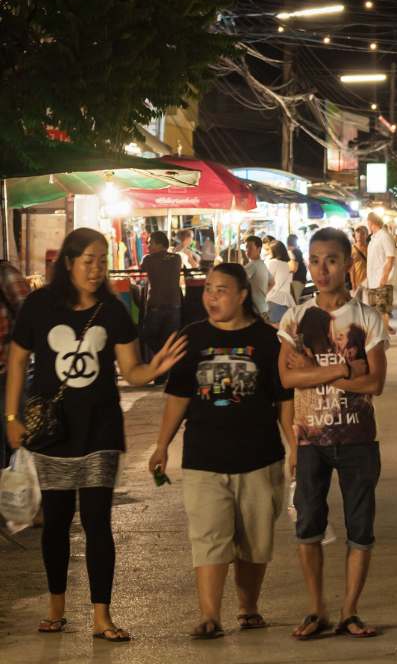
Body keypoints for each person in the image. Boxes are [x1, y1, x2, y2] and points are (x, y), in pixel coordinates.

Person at [5, 228, 187, 642]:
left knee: (97, 520)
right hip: (52, 431)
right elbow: (17, 361)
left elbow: (133, 372)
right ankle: (56, 607)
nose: (96, 268)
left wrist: (155, 367)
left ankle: (102, 616)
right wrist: (12, 416)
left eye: (102, 260)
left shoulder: (113, 309)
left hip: (101, 429)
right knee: (55, 522)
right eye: (88, 260)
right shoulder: (38, 306)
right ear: (67, 263)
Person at [148, 263, 294, 639]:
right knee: (209, 537)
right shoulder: (191, 337)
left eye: (221, 290)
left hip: (259, 456)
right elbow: (178, 396)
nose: (211, 297)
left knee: (254, 539)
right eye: (208, 289)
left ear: (243, 294)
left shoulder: (267, 339)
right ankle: (210, 615)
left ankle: (248, 608)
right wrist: (162, 445)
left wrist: (294, 446)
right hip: (203, 457)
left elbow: (283, 399)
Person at [277, 227, 388, 640]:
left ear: (347, 264)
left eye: (331, 260)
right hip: (310, 441)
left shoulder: (366, 318)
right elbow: (286, 378)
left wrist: (314, 376)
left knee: (361, 527)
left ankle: (349, 611)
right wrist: (343, 371)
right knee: (307, 525)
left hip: (358, 439)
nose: (322, 269)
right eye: (315, 260)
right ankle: (316, 609)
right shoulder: (296, 317)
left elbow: (375, 383)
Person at [139, 231, 182, 383]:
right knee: (168, 340)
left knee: (147, 335)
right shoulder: (177, 258)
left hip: (156, 305)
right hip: (174, 305)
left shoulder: (148, 259)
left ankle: (163, 365)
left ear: (159, 244)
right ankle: (164, 372)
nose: (148, 246)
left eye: (150, 243)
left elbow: (140, 270)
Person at [0, 257, 31, 467]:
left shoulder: (5, 274)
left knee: (16, 442)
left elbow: (30, 316)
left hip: (6, 376)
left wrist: (14, 346)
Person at [365, 213, 397, 336]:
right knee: (374, 311)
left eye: (368, 222)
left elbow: (390, 258)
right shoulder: (374, 238)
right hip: (373, 281)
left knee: (382, 310)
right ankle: (378, 336)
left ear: (372, 222)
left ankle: (383, 337)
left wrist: (384, 277)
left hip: (382, 280)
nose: (367, 225)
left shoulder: (384, 236)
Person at [266, 241, 296, 325]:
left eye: (269, 249)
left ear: (274, 251)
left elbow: (268, 282)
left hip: (273, 298)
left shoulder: (272, 263)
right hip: (285, 300)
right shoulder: (286, 265)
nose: (268, 252)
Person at [243, 235, 269, 318]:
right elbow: (272, 282)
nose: (247, 250)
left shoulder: (253, 265)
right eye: (246, 247)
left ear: (259, 249)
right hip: (264, 307)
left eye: (250, 247)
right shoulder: (262, 264)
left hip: (256, 310)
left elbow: (237, 278)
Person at [287, 234, 307, 305]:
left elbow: (294, 268)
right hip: (298, 279)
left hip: (297, 280)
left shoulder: (295, 251)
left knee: (295, 303)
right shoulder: (296, 251)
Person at [350, 226, 369, 294]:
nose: (359, 237)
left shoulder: (370, 247)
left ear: (366, 235)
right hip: (358, 281)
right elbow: (351, 268)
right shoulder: (352, 250)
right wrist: (353, 283)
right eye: (357, 235)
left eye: (362, 234)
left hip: (371, 281)